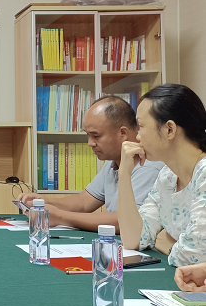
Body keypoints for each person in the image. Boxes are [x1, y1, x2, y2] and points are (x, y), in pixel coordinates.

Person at [20, 96, 163, 233]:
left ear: (123, 133)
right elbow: (83, 202)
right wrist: (45, 201)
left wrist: (60, 217)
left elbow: (126, 221)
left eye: (96, 136)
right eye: (88, 135)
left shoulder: (149, 165)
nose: (90, 143)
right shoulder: (114, 162)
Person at [118, 84, 206, 267]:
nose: (137, 137)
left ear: (169, 130)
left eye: (141, 126)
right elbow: (134, 239)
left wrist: (168, 243)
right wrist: (124, 174)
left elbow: (195, 255)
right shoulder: (168, 176)